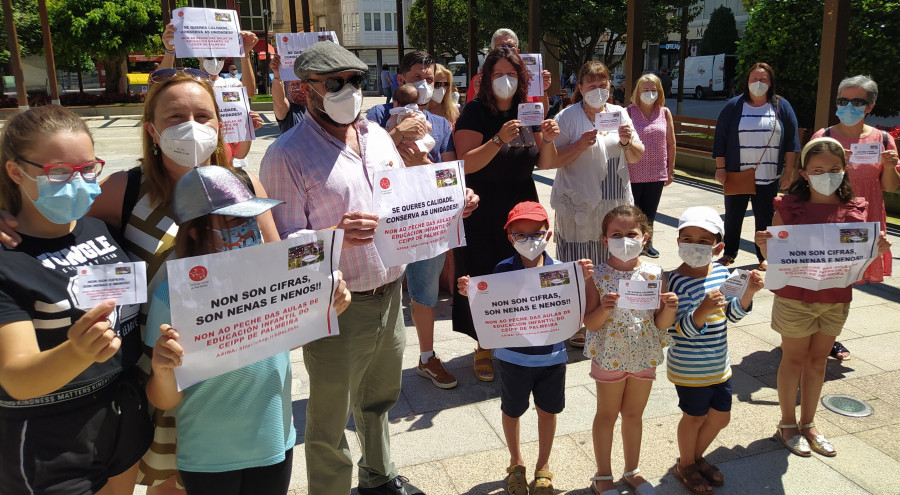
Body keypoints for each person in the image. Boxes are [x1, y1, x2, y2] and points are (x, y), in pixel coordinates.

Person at [259, 41, 478, 495]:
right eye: (335, 83)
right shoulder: (286, 154)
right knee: (330, 419)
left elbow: (405, 199)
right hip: (339, 306)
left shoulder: (377, 136)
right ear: (306, 90)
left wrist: (452, 205)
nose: (349, 91)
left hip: (390, 292)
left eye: (356, 81)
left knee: (380, 400)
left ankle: (378, 476)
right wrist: (333, 235)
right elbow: (280, 248)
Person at [144, 166, 350, 495]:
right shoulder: (170, 297)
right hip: (208, 456)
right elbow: (163, 398)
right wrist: (162, 369)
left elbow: (276, 343)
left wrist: (327, 308)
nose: (248, 229)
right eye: (233, 222)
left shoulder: (271, 272)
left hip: (274, 440)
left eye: (251, 218)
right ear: (195, 231)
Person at [0, 104, 153, 494]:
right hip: (50, 441)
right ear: (17, 172)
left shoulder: (100, 228)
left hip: (122, 419)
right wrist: (78, 352)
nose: (79, 182)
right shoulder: (8, 258)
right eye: (59, 172)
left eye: (87, 169)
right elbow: (17, 378)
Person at [755, 137, 890, 460]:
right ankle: (788, 423)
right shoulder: (787, 207)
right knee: (794, 358)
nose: (826, 174)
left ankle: (809, 422)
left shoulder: (856, 209)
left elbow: (855, 263)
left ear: (845, 170)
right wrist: (764, 248)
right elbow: (775, 256)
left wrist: (875, 251)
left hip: (835, 298)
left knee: (818, 362)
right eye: (817, 169)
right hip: (794, 298)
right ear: (804, 172)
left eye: (833, 169)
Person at [457, 201, 593, 495]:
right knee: (512, 410)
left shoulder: (561, 271)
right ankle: (516, 462)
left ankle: (543, 466)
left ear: (550, 235)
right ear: (510, 237)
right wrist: (471, 291)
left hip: (553, 357)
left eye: (537, 233)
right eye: (521, 235)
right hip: (513, 358)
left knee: (548, 411)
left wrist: (584, 280)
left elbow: (578, 312)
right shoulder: (503, 269)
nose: (530, 241)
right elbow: (491, 306)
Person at [451, 46, 560, 382]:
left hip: (521, 207)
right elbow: (465, 163)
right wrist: (498, 139)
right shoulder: (474, 111)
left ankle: (517, 336)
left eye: (511, 74)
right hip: (482, 209)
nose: (505, 80)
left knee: (521, 273)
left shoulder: (529, 111)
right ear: (487, 78)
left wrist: (550, 139)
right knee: (484, 274)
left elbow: (544, 162)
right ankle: (484, 345)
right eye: (499, 74)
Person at [367, 51, 459, 389]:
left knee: (424, 293)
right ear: (401, 78)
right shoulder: (378, 115)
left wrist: (421, 161)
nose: (425, 85)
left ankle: (427, 357)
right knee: (381, 290)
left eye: (431, 80)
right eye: (418, 77)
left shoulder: (439, 124)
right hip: (389, 222)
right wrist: (396, 134)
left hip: (427, 222)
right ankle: (375, 363)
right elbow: (365, 166)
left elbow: (449, 173)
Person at [542, 60, 644, 348]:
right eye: (592, 85)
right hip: (580, 204)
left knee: (612, 261)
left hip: (614, 201)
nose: (598, 90)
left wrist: (626, 142)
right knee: (581, 262)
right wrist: (577, 145)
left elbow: (635, 157)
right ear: (580, 88)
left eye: (603, 85)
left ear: (610, 87)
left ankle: (608, 315)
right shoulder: (568, 117)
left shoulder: (619, 113)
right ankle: (577, 321)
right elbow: (549, 162)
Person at [668, 206, 763, 495]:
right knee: (694, 416)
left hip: (720, 364)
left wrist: (748, 294)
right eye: (688, 239)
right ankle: (686, 464)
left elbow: (731, 315)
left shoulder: (723, 273)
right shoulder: (670, 280)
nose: (694, 246)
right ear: (678, 241)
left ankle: (694, 458)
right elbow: (675, 331)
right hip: (688, 367)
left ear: (718, 246)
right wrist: (702, 310)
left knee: (721, 417)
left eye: (703, 241)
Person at [583, 205, 678, 495]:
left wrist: (670, 309)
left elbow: (660, 323)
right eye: (616, 234)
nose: (624, 239)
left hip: (643, 354)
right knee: (607, 414)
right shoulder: (596, 276)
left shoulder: (654, 272)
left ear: (645, 238)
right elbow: (590, 323)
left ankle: (632, 470)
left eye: (631, 234)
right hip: (609, 356)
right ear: (605, 239)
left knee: (634, 415)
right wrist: (604, 308)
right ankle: (602, 476)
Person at [810, 75, 899, 361]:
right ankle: (812, 331)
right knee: (825, 277)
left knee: (845, 279)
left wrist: (889, 165)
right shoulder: (824, 137)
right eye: (843, 100)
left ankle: (829, 337)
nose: (849, 106)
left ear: (870, 106)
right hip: (829, 220)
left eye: (857, 101)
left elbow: (890, 186)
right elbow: (807, 179)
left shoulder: (883, 139)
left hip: (864, 222)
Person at [712, 62, 800, 271]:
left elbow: (791, 142)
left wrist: (788, 172)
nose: (758, 83)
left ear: (771, 83)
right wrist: (720, 167)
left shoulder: (781, 106)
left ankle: (764, 255)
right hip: (737, 174)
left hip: (768, 176)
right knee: (733, 216)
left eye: (763, 80)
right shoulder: (734, 106)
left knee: (766, 219)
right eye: (754, 79)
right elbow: (720, 138)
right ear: (747, 81)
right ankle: (730, 252)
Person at [626, 73, 676, 258]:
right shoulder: (629, 112)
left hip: (656, 172)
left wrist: (670, 169)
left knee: (650, 213)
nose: (649, 93)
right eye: (645, 90)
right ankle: (631, 245)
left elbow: (671, 143)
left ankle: (648, 245)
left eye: (653, 90)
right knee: (633, 212)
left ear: (659, 91)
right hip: (633, 171)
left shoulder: (664, 112)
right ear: (638, 92)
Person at [466, 29, 552, 114]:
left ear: (517, 51)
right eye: (501, 46)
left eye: (511, 46)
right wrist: (478, 93)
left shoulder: (531, 78)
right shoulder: (480, 79)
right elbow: (470, 114)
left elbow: (542, 113)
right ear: (493, 51)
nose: (507, 49)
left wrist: (543, 90)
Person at [159, 23, 257, 97]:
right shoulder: (188, 83)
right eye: (209, 57)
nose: (215, 61)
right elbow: (162, 85)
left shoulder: (229, 83)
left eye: (220, 58)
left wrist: (245, 54)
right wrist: (169, 50)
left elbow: (249, 92)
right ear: (198, 56)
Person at [269, 53, 308, 134]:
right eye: (293, 85)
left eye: (301, 84)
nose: (297, 89)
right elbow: (279, 101)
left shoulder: (323, 109)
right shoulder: (290, 113)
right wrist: (277, 76)